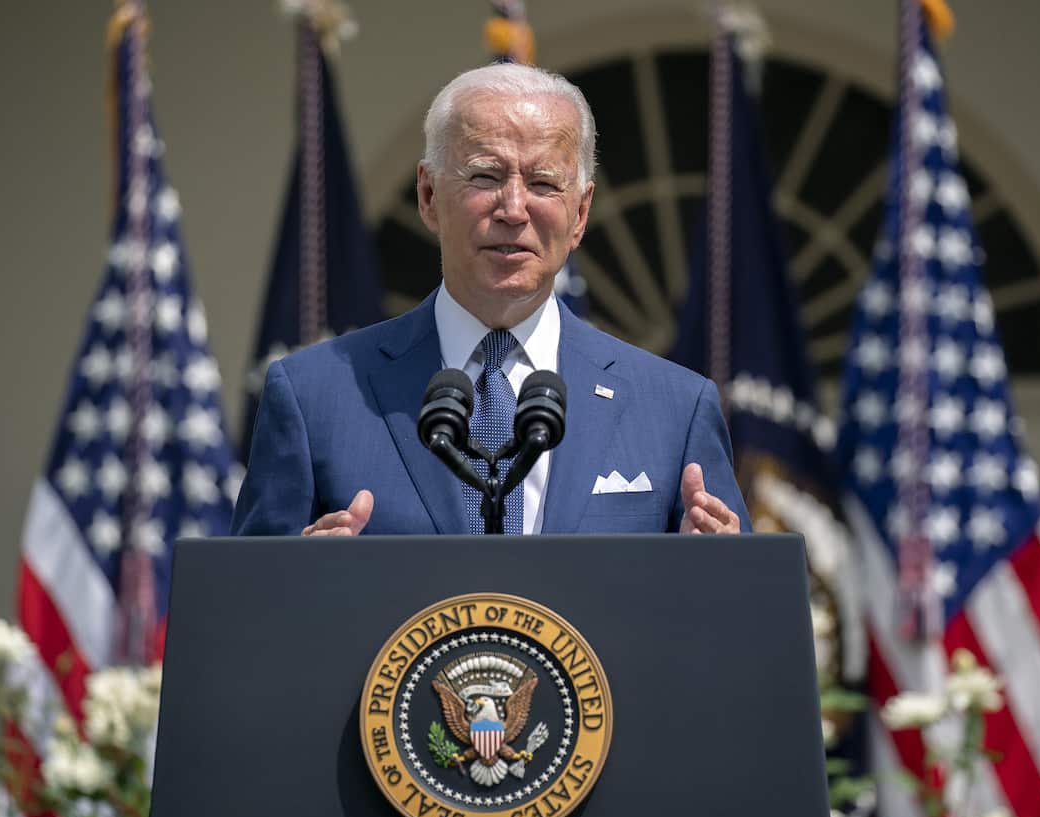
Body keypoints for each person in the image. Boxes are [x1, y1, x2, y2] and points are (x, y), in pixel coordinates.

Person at [232, 63, 748, 537]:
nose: (514, 209)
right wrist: (298, 589)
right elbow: (246, 619)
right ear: (429, 195)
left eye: (544, 182)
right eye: (486, 176)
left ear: (581, 213)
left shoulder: (676, 409)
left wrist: (712, 583)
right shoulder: (312, 397)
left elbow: (743, 621)